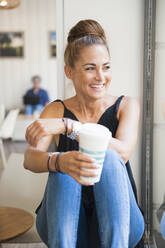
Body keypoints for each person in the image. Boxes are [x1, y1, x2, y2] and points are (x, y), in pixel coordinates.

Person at [24, 19, 145, 248]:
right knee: (63, 167)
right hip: (67, 227)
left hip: (121, 227)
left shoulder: (126, 105)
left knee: (110, 156)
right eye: (90, 68)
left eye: (106, 67)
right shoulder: (55, 108)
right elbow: (29, 159)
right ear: (69, 71)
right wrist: (59, 161)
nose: (101, 77)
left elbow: (124, 152)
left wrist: (70, 127)